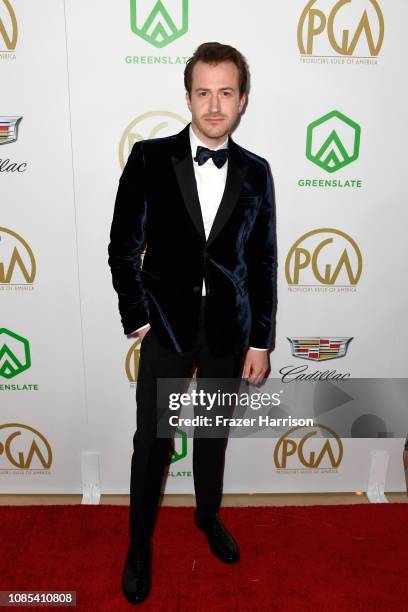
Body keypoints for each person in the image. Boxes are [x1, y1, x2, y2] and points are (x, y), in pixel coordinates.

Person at [108, 41, 277, 605]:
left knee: (212, 435)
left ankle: (207, 517)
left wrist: (261, 339)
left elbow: (262, 261)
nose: (213, 104)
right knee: (151, 444)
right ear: (187, 96)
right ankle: (138, 545)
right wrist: (137, 318)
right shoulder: (150, 158)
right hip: (167, 329)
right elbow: (122, 245)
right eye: (203, 92)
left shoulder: (257, 172)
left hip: (229, 330)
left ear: (242, 99)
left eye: (225, 92)